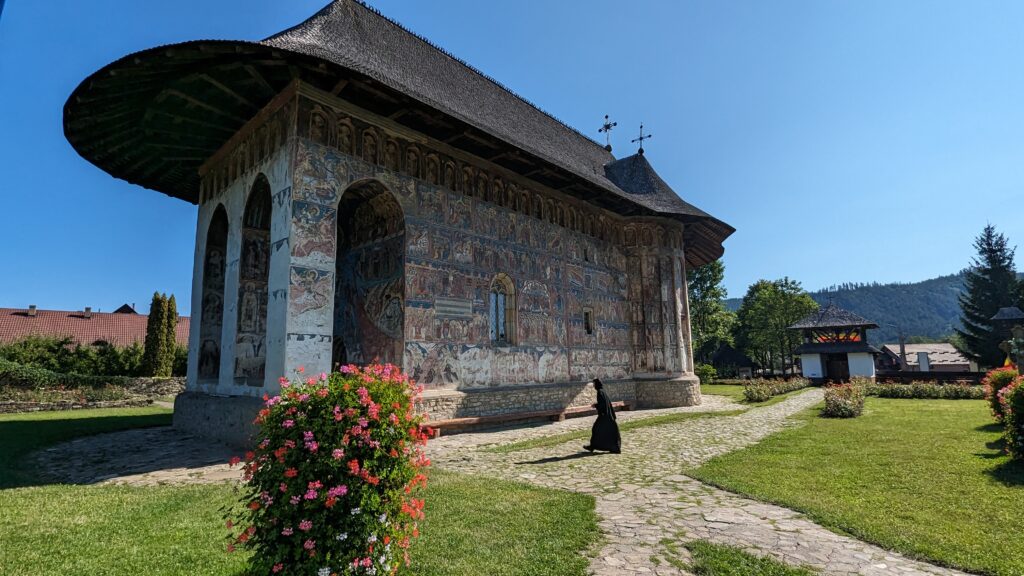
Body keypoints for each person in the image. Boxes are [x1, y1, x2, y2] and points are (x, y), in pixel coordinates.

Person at [584, 378, 621, 454]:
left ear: (597, 384)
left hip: (604, 415)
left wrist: (596, 405)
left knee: (596, 429)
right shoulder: (602, 391)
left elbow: (602, 404)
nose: (593, 385)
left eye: (594, 384)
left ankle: (595, 446)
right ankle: (594, 446)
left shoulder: (600, 392)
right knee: (606, 431)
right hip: (607, 415)